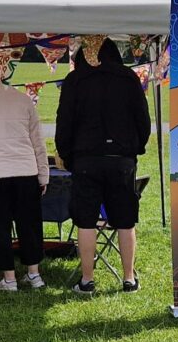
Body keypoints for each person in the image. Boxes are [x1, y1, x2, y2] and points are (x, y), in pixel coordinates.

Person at [55, 38, 151, 294]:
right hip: (121, 160)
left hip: (86, 160)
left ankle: (87, 280)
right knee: (125, 220)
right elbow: (143, 119)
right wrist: (135, 148)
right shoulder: (129, 78)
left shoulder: (75, 81)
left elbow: (63, 122)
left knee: (86, 221)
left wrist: (66, 154)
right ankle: (129, 278)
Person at [0, 67, 50, 291]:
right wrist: (43, 175)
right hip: (25, 170)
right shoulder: (24, 100)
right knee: (29, 224)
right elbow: (37, 142)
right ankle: (34, 275)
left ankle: (9, 278)